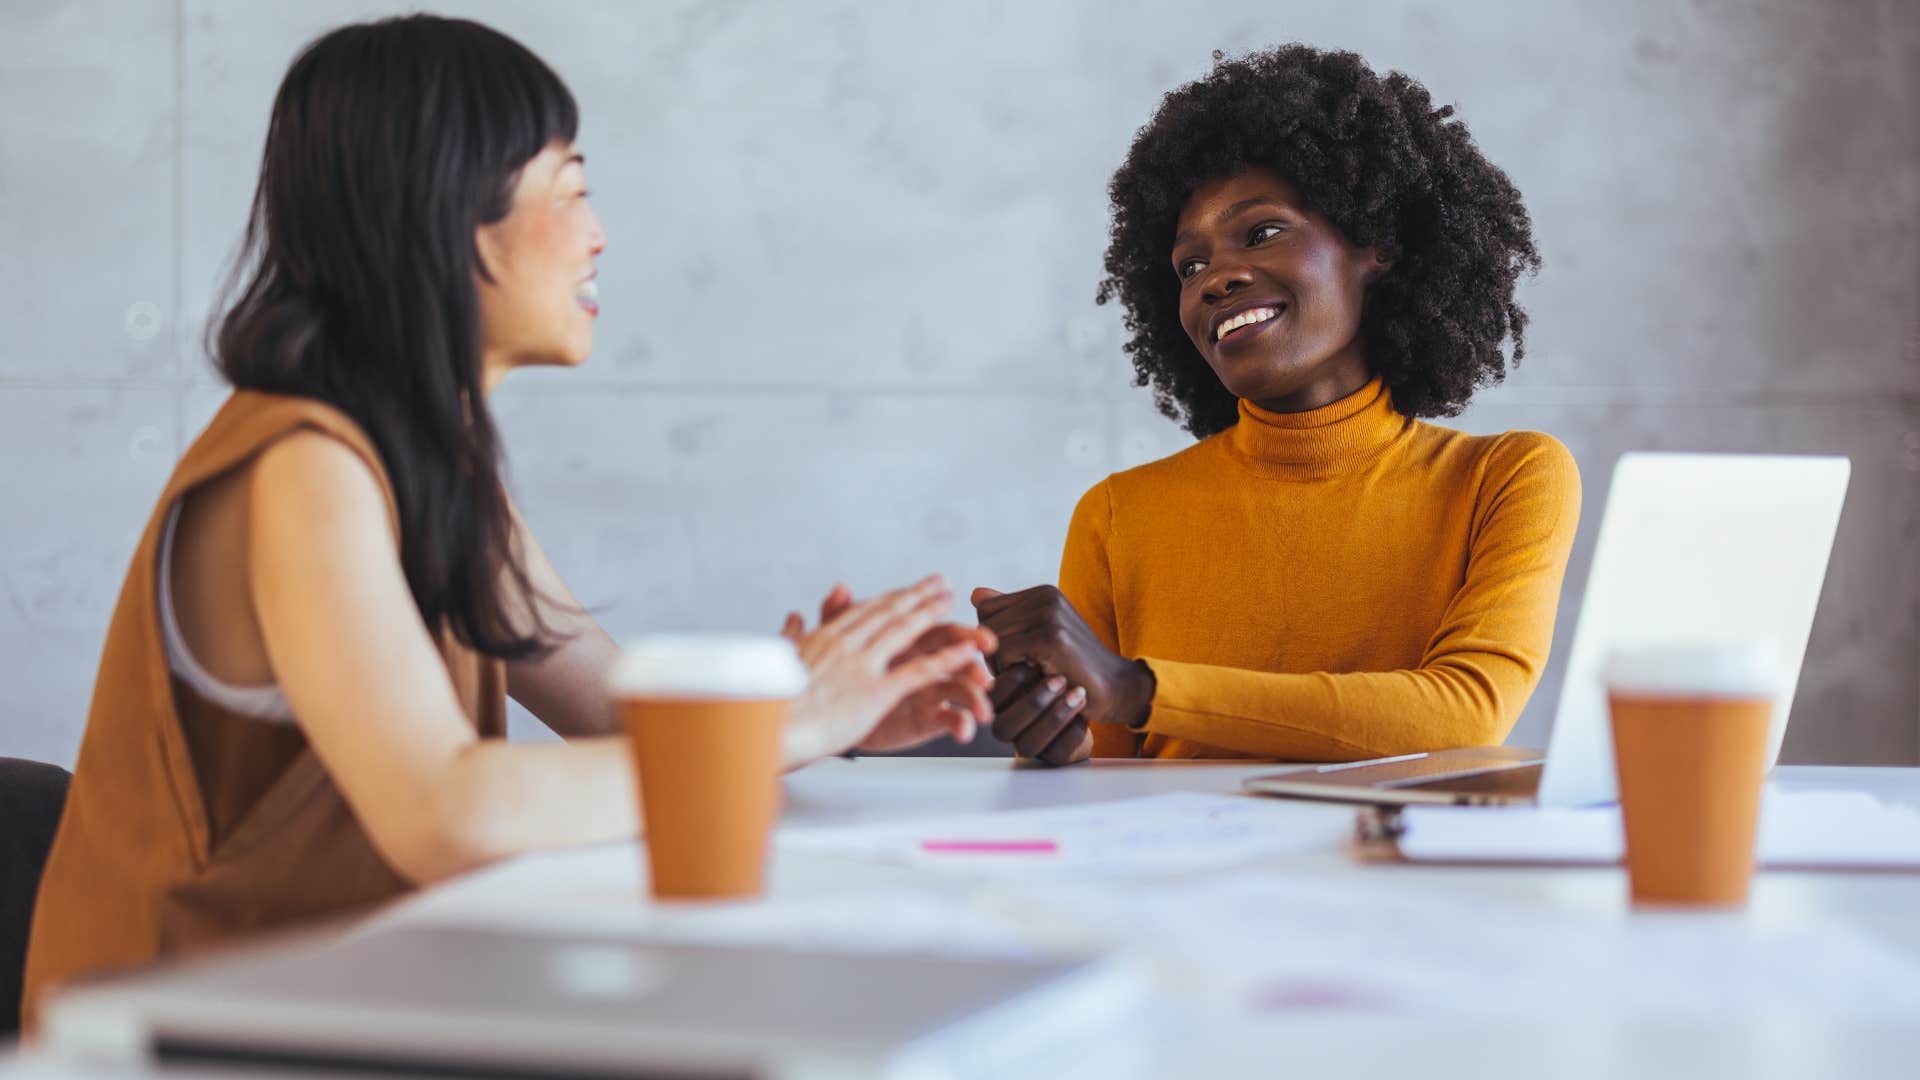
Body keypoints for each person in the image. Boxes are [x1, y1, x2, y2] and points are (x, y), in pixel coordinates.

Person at [21, 15, 991, 1028]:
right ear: (450, 215)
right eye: (571, 190)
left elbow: (616, 716)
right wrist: (790, 723)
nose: (600, 233)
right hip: (175, 1038)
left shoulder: (428, 455)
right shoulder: (303, 465)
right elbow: (449, 814)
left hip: (328, 1014)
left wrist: (824, 707)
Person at [976, 45, 1581, 766]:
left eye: (1262, 233)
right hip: (1173, 873)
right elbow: (1099, 773)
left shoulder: (1503, 479)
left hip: (1385, 873)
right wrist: (1052, 735)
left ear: (1376, 245)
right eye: (1189, 266)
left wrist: (1139, 689)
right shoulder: (1117, 516)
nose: (1215, 280)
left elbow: (1464, 715)